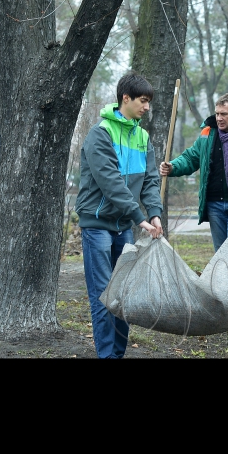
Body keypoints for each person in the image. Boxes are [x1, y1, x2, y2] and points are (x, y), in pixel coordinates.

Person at [75, 73, 163, 359]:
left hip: (123, 225)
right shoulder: (100, 134)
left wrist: (155, 213)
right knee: (103, 297)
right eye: (143, 100)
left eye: (148, 101)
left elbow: (150, 180)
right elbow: (111, 182)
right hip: (98, 226)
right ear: (125, 98)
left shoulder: (142, 136)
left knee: (123, 296)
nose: (147, 107)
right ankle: (107, 356)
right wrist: (140, 217)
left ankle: (118, 355)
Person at [159, 93, 228, 252]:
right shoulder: (208, 134)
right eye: (217, 113)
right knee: (220, 252)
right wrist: (172, 167)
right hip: (214, 204)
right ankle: (221, 278)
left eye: (224, 114)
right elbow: (191, 157)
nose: (219, 118)